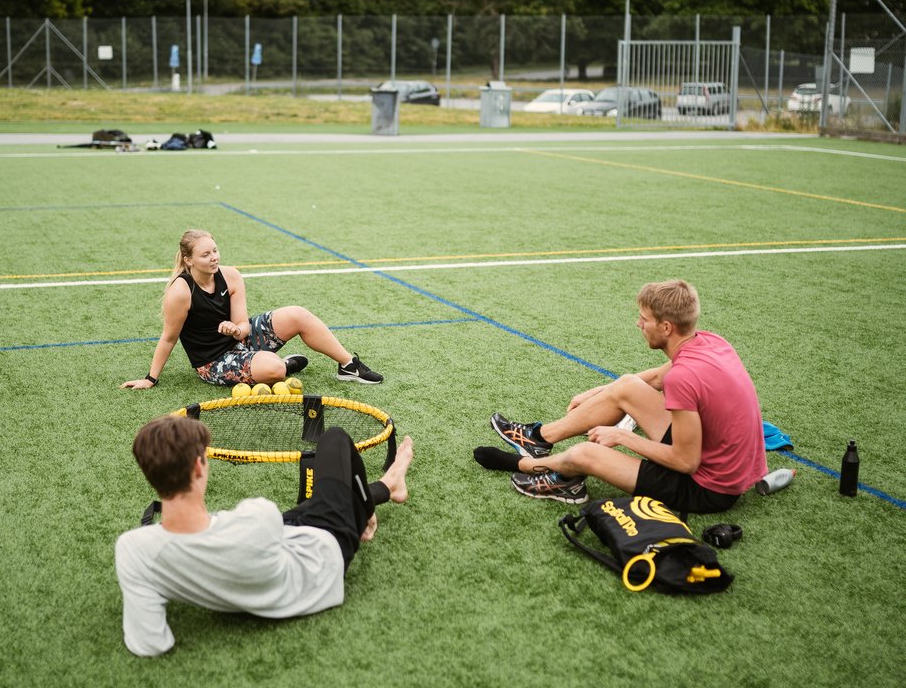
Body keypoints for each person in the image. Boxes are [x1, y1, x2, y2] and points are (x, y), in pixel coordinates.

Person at [116, 414, 414, 656]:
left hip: (272, 543)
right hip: (318, 557)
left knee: (318, 502)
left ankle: (379, 491)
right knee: (334, 440)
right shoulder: (256, 517)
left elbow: (151, 643)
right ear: (198, 466)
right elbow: (268, 527)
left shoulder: (134, 548)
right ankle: (379, 497)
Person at [473, 279, 766, 514]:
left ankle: (528, 467)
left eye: (644, 319)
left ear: (666, 327)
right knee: (626, 385)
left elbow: (685, 461)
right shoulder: (709, 342)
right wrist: (601, 391)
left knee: (586, 453)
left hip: (708, 488)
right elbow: (652, 379)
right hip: (712, 456)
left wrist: (624, 437)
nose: (639, 324)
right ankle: (538, 439)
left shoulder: (683, 378)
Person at [121, 229, 383, 391]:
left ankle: (348, 365)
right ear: (189, 260)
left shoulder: (231, 276)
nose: (214, 257)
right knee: (275, 370)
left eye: (215, 250)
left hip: (239, 340)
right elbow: (169, 337)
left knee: (297, 314)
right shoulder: (181, 291)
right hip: (213, 361)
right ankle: (282, 365)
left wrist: (236, 330)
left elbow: (243, 325)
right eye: (205, 255)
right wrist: (150, 378)